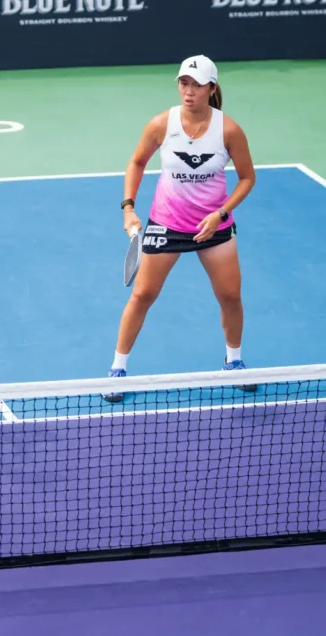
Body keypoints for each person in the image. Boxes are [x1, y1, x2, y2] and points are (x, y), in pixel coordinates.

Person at [105, 55, 257, 403]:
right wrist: (128, 208)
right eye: (183, 83)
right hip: (168, 224)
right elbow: (137, 161)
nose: (188, 92)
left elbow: (248, 178)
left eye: (197, 85)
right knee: (143, 295)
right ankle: (117, 370)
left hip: (213, 226)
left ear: (211, 88)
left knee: (230, 296)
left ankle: (233, 362)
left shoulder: (229, 130)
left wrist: (221, 213)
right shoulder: (162, 124)